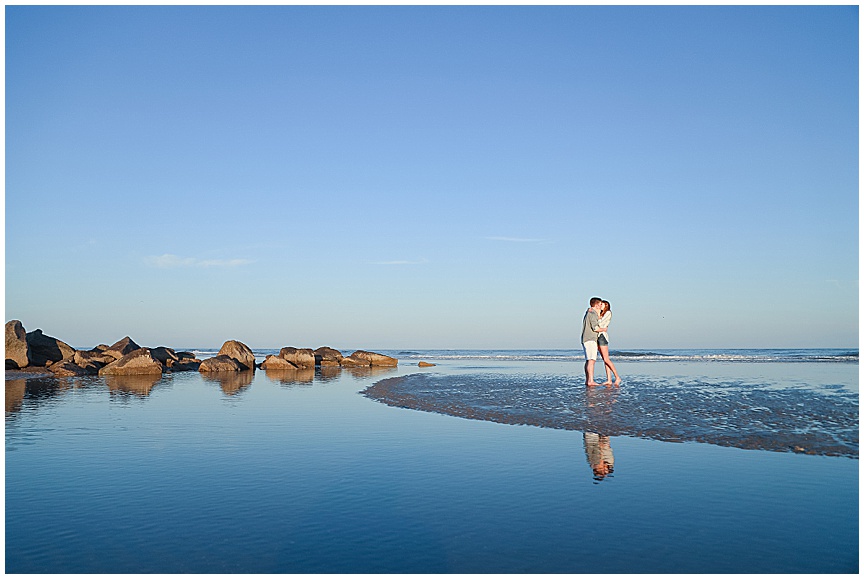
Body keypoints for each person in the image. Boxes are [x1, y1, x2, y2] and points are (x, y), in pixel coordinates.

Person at [597, 300, 621, 386]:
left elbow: (600, 324)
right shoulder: (600, 313)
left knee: (607, 359)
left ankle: (617, 377)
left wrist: (598, 317)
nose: (600, 306)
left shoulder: (608, 313)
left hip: (602, 336)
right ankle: (609, 379)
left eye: (601, 304)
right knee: (605, 360)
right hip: (598, 336)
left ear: (606, 305)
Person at [581, 297, 604, 386]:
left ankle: (588, 380)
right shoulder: (592, 313)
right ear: (597, 305)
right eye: (601, 304)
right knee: (591, 360)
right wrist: (604, 329)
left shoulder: (589, 312)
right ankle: (590, 380)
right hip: (590, 339)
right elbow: (595, 328)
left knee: (588, 360)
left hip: (586, 339)